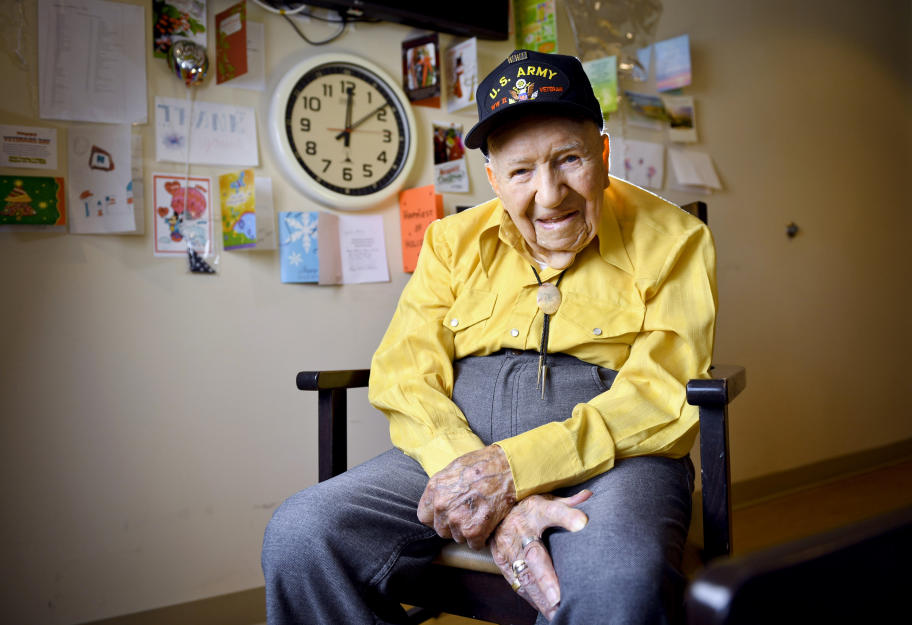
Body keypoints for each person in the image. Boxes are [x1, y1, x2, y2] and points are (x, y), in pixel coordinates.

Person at [263, 49, 717, 625]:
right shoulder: (451, 241)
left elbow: (661, 392)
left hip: (616, 456)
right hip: (457, 446)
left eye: (570, 159)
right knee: (302, 534)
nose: (550, 195)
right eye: (522, 171)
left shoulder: (677, 239)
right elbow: (406, 373)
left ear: (603, 154)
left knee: (618, 582)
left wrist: (516, 470)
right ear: (493, 177)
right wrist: (479, 477)